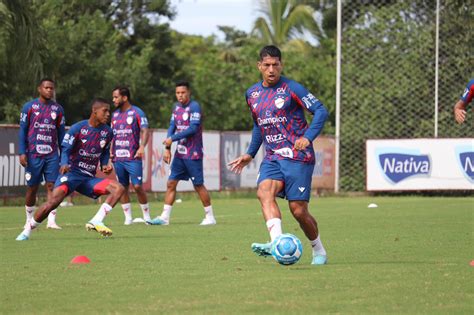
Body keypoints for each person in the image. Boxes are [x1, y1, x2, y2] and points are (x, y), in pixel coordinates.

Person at [228, 45, 329, 265]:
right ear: (259, 66)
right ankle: (276, 242)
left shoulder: (293, 88)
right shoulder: (252, 94)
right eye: (267, 65)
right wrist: (250, 154)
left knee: (298, 210)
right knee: (264, 191)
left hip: (298, 157)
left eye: (275, 65)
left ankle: (319, 250)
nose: (271, 69)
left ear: (281, 65)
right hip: (273, 157)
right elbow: (258, 125)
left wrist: (308, 137)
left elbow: (321, 110)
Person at [16, 98, 125, 241]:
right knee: (53, 202)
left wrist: (105, 164)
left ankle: (96, 220)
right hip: (71, 175)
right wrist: (64, 163)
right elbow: (66, 149)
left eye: (109, 111)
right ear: (94, 111)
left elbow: (104, 151)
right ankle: (27, 230)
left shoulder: (108, 132)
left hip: (88, 179)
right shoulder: (78, 128)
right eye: (105, 111)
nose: (108, 114)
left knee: (118, 188)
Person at [148, 81, 216, 226]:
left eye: (183, 92)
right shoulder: (176, 107)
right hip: (180, 153)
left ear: (189, 93)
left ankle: (210, 217)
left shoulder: (194, 107)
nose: (180, 95)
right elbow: (172, 126)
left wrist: (172, 138)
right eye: (178, 93)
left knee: (198, 185)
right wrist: (168, 147)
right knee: (171, 183)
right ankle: (165, 218)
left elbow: (192, 129)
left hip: (193, 153)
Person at [19, 78, 65, 230]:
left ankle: (51, 221)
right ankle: (29, 219)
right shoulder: (29, 107)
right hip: (34, 154)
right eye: (46, 88)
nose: (49, 90)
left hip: (52, 154)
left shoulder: (58, 109)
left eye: (52, 88)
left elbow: (61, 134)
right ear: (40, 89)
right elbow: (23, 131)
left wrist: (64, 156)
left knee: (53, 186)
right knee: (32, 187)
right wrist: (22, 152)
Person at [111, 86, 152, 225]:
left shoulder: (137, 112)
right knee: (122, 187)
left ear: (125, 97)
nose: (113, 100)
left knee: (138, 186)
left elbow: (146, 130)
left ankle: (146, 216)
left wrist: (141, 146)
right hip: (118, 157)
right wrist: (110, 151)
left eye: (116, 97)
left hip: (133, 157)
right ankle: (128, 218)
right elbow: (112, 135)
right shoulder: (114, 115)